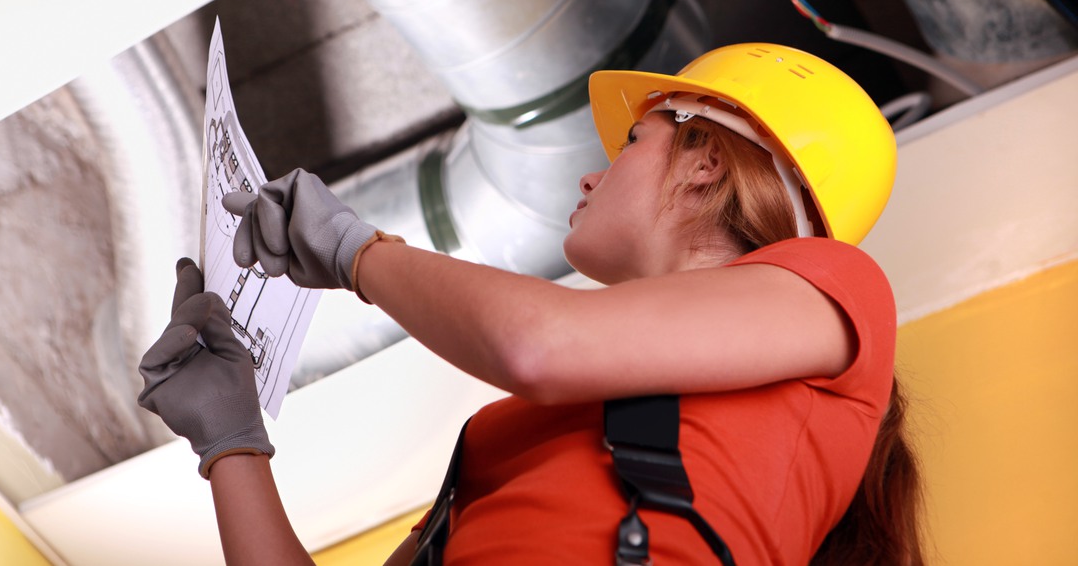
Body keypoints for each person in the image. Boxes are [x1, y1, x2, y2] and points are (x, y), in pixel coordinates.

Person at [137, 43, 925, 565]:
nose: (590, 177)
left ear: (705, 162)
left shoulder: (839, 289)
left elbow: (538, 347)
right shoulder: (506, 437)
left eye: (630, 145)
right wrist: (231, 443)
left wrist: (357, 253)